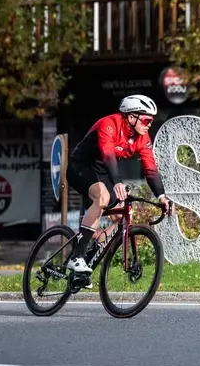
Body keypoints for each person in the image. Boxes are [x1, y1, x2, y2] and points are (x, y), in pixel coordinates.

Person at [64, 95, 173, 275]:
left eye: (151, 120)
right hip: (80, 167)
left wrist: (161, 196)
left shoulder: (142, 137)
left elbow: (150, 169)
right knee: (103, 197)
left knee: (122, 213)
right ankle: (77, 257)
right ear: (131, 117)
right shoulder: (109, 124)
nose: (149, 124)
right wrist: (118, 183)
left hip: (103, 173)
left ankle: (98, 242)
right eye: (146, 119)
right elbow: (108, 156)